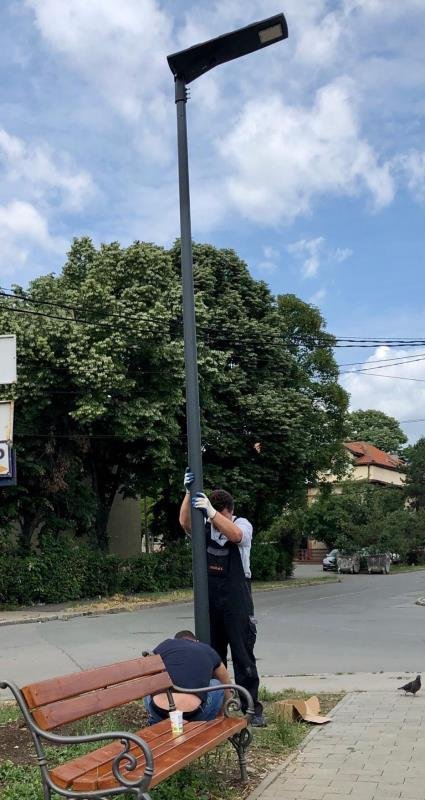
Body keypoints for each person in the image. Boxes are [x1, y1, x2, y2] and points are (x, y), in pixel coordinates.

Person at [179, 472, 266, 727]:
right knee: (212, 656)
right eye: (211, 516)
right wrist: (188, 493)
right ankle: (218, 707)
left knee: (243, 655)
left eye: (219, 515)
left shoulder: (242, 524)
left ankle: (251, 708)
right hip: (212, 601)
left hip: (237, 601)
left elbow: (237, 536)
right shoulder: (206, 528)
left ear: (229, 511)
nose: (215, 522)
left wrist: (212, 512)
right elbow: (185, 523)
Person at [144, 629, 233, 725]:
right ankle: (212, 723)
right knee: (216, 683)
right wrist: (228, 707)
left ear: (175, 640)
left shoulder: (165, 645)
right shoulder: (207, 649)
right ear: (196, 641)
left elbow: (147, 670)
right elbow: (226, 683)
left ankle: (154, 720)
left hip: (160, 713)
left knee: (149, 682)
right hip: (194, 715)